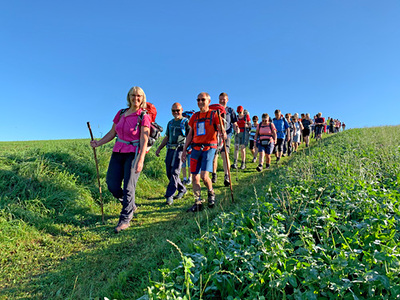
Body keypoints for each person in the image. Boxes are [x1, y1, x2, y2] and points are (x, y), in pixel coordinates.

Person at [90, 86, 150, 233]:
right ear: (128, 97)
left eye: (139, 96)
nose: (135, 98)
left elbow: (144, 138)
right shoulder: (121, 113)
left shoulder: (144, 116)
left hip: (134, 153)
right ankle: (129, 204)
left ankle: (125, 219)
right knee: (112, 184)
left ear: (142, 99)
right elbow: (112, 133)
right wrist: (98, 143)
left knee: (129, 187)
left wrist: (141, 159)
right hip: (118, 151)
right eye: (133, 95)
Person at [182, 92, 226, 212]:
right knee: (195, 177)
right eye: (198, 100)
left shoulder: (214, 114)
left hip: (209, 148)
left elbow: (221, 129)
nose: (200, 102)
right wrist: (184, 150)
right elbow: (190, 134)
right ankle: (198, 202)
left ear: (208, 101)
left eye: (203, 100)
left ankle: (211, 192)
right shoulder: (194, 117)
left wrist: (223, 132)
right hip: (196, 148)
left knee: (204, 176)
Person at [155, 103, 189, 205]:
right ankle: (182, 189)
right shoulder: (170, 123)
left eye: (177, 110)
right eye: (173, 111)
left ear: (182, 110)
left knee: (175, 171)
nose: (176, 113)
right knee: (169, 173)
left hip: (180, 149)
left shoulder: (186, 122)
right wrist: (159, 148)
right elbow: (167, 137)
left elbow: (190, 135)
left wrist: (188, 149)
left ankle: (169, 195)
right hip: (170, 149)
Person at [212, 92, 238, 186]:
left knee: (225, 154)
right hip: (215, 134)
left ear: (227, 100)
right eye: (220, 99)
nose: (222, 101)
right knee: (214, 155)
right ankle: (214, 174)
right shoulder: (214, 109)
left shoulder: (230, 110)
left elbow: (234, 122)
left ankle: (226, 176)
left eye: (223, 99)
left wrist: (236, 128)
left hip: (227, 133)